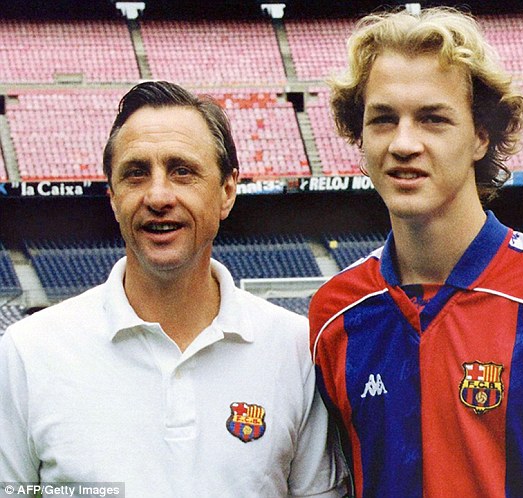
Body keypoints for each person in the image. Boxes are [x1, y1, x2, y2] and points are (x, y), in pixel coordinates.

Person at [308, 7, 523, 498]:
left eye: (433, 119)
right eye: (383, 119)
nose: (403, 143)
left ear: (481, 135)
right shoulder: (333, 313)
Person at [0, 81, 347, 497]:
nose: (158, 196)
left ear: (227, 191)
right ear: (113, 197)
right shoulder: (29, 353)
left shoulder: (295, 351)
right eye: (136, 173)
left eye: (182, 171)